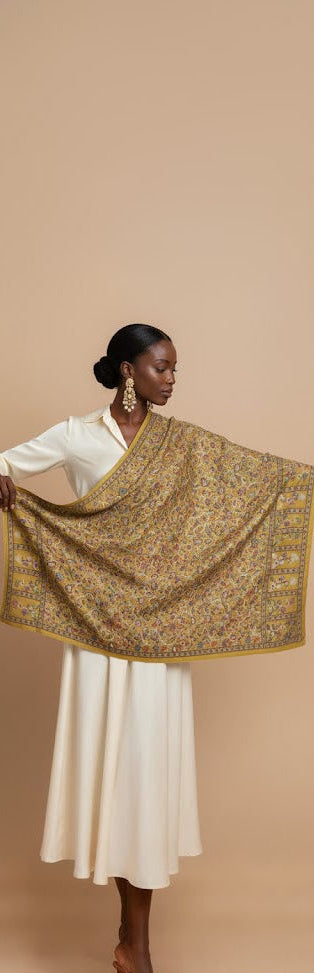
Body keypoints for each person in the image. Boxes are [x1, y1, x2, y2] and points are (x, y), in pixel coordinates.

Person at [0, 323, 203, 973]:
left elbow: (230, 499)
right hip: (96, 626)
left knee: (148, 776)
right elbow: (3, 463)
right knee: (116, 776)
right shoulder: (76, 435)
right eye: (161, 367)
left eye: (174, 369)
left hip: (161, 629)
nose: (171, 379)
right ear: (127, 370)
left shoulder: (179, 443)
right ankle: (131, 941)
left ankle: (134, 942)